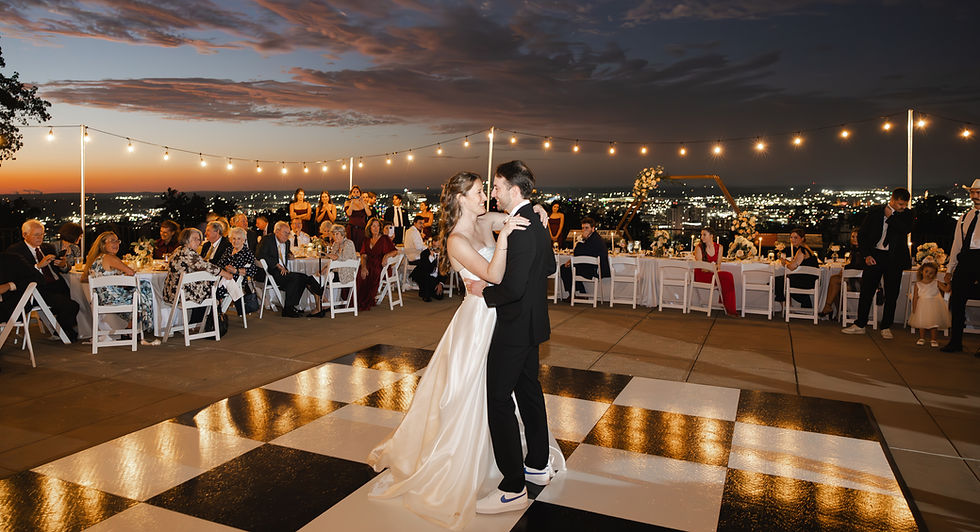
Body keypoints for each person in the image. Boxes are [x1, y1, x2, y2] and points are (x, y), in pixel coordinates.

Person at [368, 169, 562, 528]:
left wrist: (540, 213)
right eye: (477, 191)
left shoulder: (487, 219)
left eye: (489, 189)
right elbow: (493, 274)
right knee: (475, 393)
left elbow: (521, 217)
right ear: (460, 198)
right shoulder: (457, 239)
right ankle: (476, 464)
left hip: (499, 314)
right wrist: (502, 243)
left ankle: (527, 467)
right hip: (479, 317)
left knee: (512, 390)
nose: (485, 194)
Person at [464, 161, 562, 514]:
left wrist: (483, 292)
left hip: (514, 326)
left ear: (514, 190)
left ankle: (512, 486)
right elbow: (549, 267)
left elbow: (515, 287)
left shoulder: (520, 227)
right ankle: (537, 466)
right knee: (529, 392)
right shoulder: (533, 220)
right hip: (534, 324)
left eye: (497, 186)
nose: (493, 192)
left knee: (498, 400)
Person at [843, 187, 913, 338]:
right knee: (866, 291)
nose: (903, 207)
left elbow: (905, 230)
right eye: (900, 204)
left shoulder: (907, 215)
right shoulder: (875, 213)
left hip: (895, 259)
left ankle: (886, 326)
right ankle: (860, 324)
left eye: (905, 204)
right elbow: (862, 235)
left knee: (892, 294)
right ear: (892, 200)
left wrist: (892, 217)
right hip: (875, 256)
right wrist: (866, 255)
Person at [6, 219, 80, 342]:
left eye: (42, 234)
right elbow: (17, 275)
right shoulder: (16, 251)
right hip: (38, 289)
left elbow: (64, 269)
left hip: (58, 285)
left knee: (78, 302)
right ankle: (63, 332)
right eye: (36, 235)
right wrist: (38, 266)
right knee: (71, 306)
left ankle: (63, 329)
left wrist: (63, 264)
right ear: (25, 235)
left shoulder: (47, 247)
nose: (40, 238)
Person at [81, 231, 160, 345]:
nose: (116, 243)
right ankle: (132, 328)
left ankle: (130, 329)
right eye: (112, 241)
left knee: (139, 291)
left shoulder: (96, 258)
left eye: (117, 241)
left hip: (101, 299)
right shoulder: (109, 257)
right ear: (103, 244)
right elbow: (130, 272)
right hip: (113, 300)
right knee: (145, 287)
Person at [941, 178, 980, 353]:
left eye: (978, 193)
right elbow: (956, 245)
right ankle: (955, 342)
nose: (975, 196)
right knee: (957, 303)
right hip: (965, 261)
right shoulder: (965, 217)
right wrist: (950, 269)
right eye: (972, 192)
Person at [255, 221, 325, 318]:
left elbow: (287, 252)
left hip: (284, 272)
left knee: (303, 277)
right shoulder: (267, 240)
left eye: (288, 233)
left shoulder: (287, 242)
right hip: (270, 273)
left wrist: (290, 255)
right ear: (277, 231)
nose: (287, 235)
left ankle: (292, 307)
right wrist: (277, 265)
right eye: (285, 233)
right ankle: (317, 297)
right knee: (297, 278)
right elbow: (259, 255)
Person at [162, 228, 236, 316]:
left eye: (199, 239)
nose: (198, 242)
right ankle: (209, 321)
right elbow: (207, 266)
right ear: (186, 239)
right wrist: (225, 274)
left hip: (171, 294)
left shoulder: (179, 250)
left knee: (210, 288)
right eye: (195, 239)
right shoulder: (188, 253)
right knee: (215, 291)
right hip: (180, 296)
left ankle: (198, 321)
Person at [559, 217, 609, 298]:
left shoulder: (594, 239)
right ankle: (581, 292)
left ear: (593, 229)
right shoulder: (593, 238)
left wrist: (581, 240)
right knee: (569, 268)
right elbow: (582, 253)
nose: (584, 230)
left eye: (587, 228)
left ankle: (574, 294)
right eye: (582, 228)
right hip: (589, 266)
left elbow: (578, 252)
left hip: (594, 270)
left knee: (564, 269)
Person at [819, 229, 864, 318]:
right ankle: (841, 312)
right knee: (836, 285)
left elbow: (857, 267)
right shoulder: (855, 250)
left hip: (861, 283)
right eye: (853, 237)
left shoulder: (862, 251)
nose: (854, 239)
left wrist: (844, 270)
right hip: (854, 279)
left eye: (857, 237)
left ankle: (828, 307)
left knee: (834, 280)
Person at [693, 227, 737, 315]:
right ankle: (728, 306)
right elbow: (701, 266)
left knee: (728, 276)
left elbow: (718, 265)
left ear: (711, 236)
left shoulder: (719, 247)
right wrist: (712, 267)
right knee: (727, 277)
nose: (702, 237)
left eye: (704, 235)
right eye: (701, 235)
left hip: (713, 273)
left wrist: (712, 268)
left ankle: (729, 307)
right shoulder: (698, 248)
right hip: (701, 274)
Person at [356, 217, 397, 311]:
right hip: (368, 263)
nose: (376, 228)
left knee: (372, 273)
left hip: (380, 265)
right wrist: (363, 267)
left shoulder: (384, 238)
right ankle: (357, 300)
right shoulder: (367, 240)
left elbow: (395, 252)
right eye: (373, 226)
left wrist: (386, 256)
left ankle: (366, 300)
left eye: (378, 226)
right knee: (359, 273)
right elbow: (363, 255)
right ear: (369, 228)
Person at [215, 227, 260, 314]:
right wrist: (225, 269)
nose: (236, 241)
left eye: (239, 239)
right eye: (234, 238)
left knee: (214, 290)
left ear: (244, 240)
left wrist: (236, 270)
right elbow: (219, 264)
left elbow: (253, 270)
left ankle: (216, 313)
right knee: (210, 286)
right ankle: (215, 312)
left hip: (236, 279)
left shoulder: (247, 252)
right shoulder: (229, 250)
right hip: (224, 277)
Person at [774, 228, 820, 309]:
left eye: (796, 237)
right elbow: (794, 263)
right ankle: (801, 303)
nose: (792, 240)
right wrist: (787, 262)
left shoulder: (802, 250)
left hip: (806, 282)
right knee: (781, 280)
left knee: (778, 280)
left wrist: (784, 262)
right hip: (810, 279)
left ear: (802, 239)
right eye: (791, 237)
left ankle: (786, 307)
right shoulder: (806, 248)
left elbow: (792, 267)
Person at [909, 261, 951, 348]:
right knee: (921, 322)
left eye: (931, 273)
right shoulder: (918, 284)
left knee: (934, 323)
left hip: (934, 305)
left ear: (935, 274)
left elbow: (946, 290)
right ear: (922, 271)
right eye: (926, 271)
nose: (928, 274)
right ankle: (922, 338)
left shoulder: (936, 282)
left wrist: (948, 282)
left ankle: (934, 339)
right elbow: (915, 297)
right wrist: (914, 308)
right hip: (922, 306)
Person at [409, 237, 447, 301]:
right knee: (427, 292)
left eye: (438, 247)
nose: (436, 249)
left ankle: (426, 290)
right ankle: (426, 293)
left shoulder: (444, 255)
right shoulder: (425, 253)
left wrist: (440, 283)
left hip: (435, 277)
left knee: (439, 296)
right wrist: (431, 258)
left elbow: (445, 271)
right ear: (431, 245)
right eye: (434, 246)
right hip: (422, 275)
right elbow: (427, 270)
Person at [344, 185, 371, 251]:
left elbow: (369, 213)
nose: (356, 193)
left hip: (362, 229)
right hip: (352, 229)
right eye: (354, 192)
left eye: (357, 192)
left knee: (362, 248)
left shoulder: (364, 203)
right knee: (352, 248)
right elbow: (349, 213)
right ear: (351, 194)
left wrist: (363, 202)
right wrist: (352, 202)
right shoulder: (348, 203)